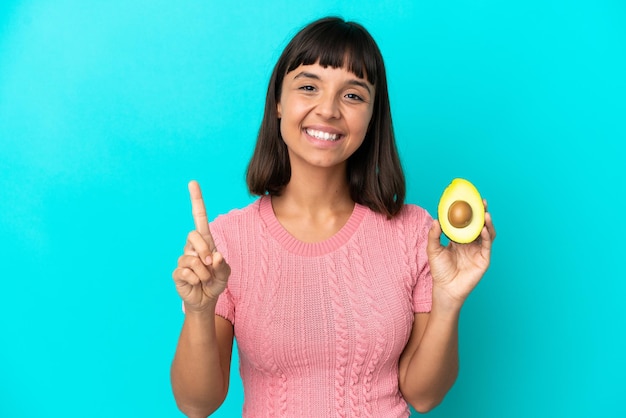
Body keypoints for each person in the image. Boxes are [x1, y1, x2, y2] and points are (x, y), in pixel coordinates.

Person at [170, 16, 496, 418]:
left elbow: (423, 396)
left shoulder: (413, 233)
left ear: (373, 115)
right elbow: (196, 403)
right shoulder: (228, 241)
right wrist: (201, 313)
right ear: (278, 101)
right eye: (308, 87)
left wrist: (448, 302)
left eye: (353, 95)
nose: (327, 109)